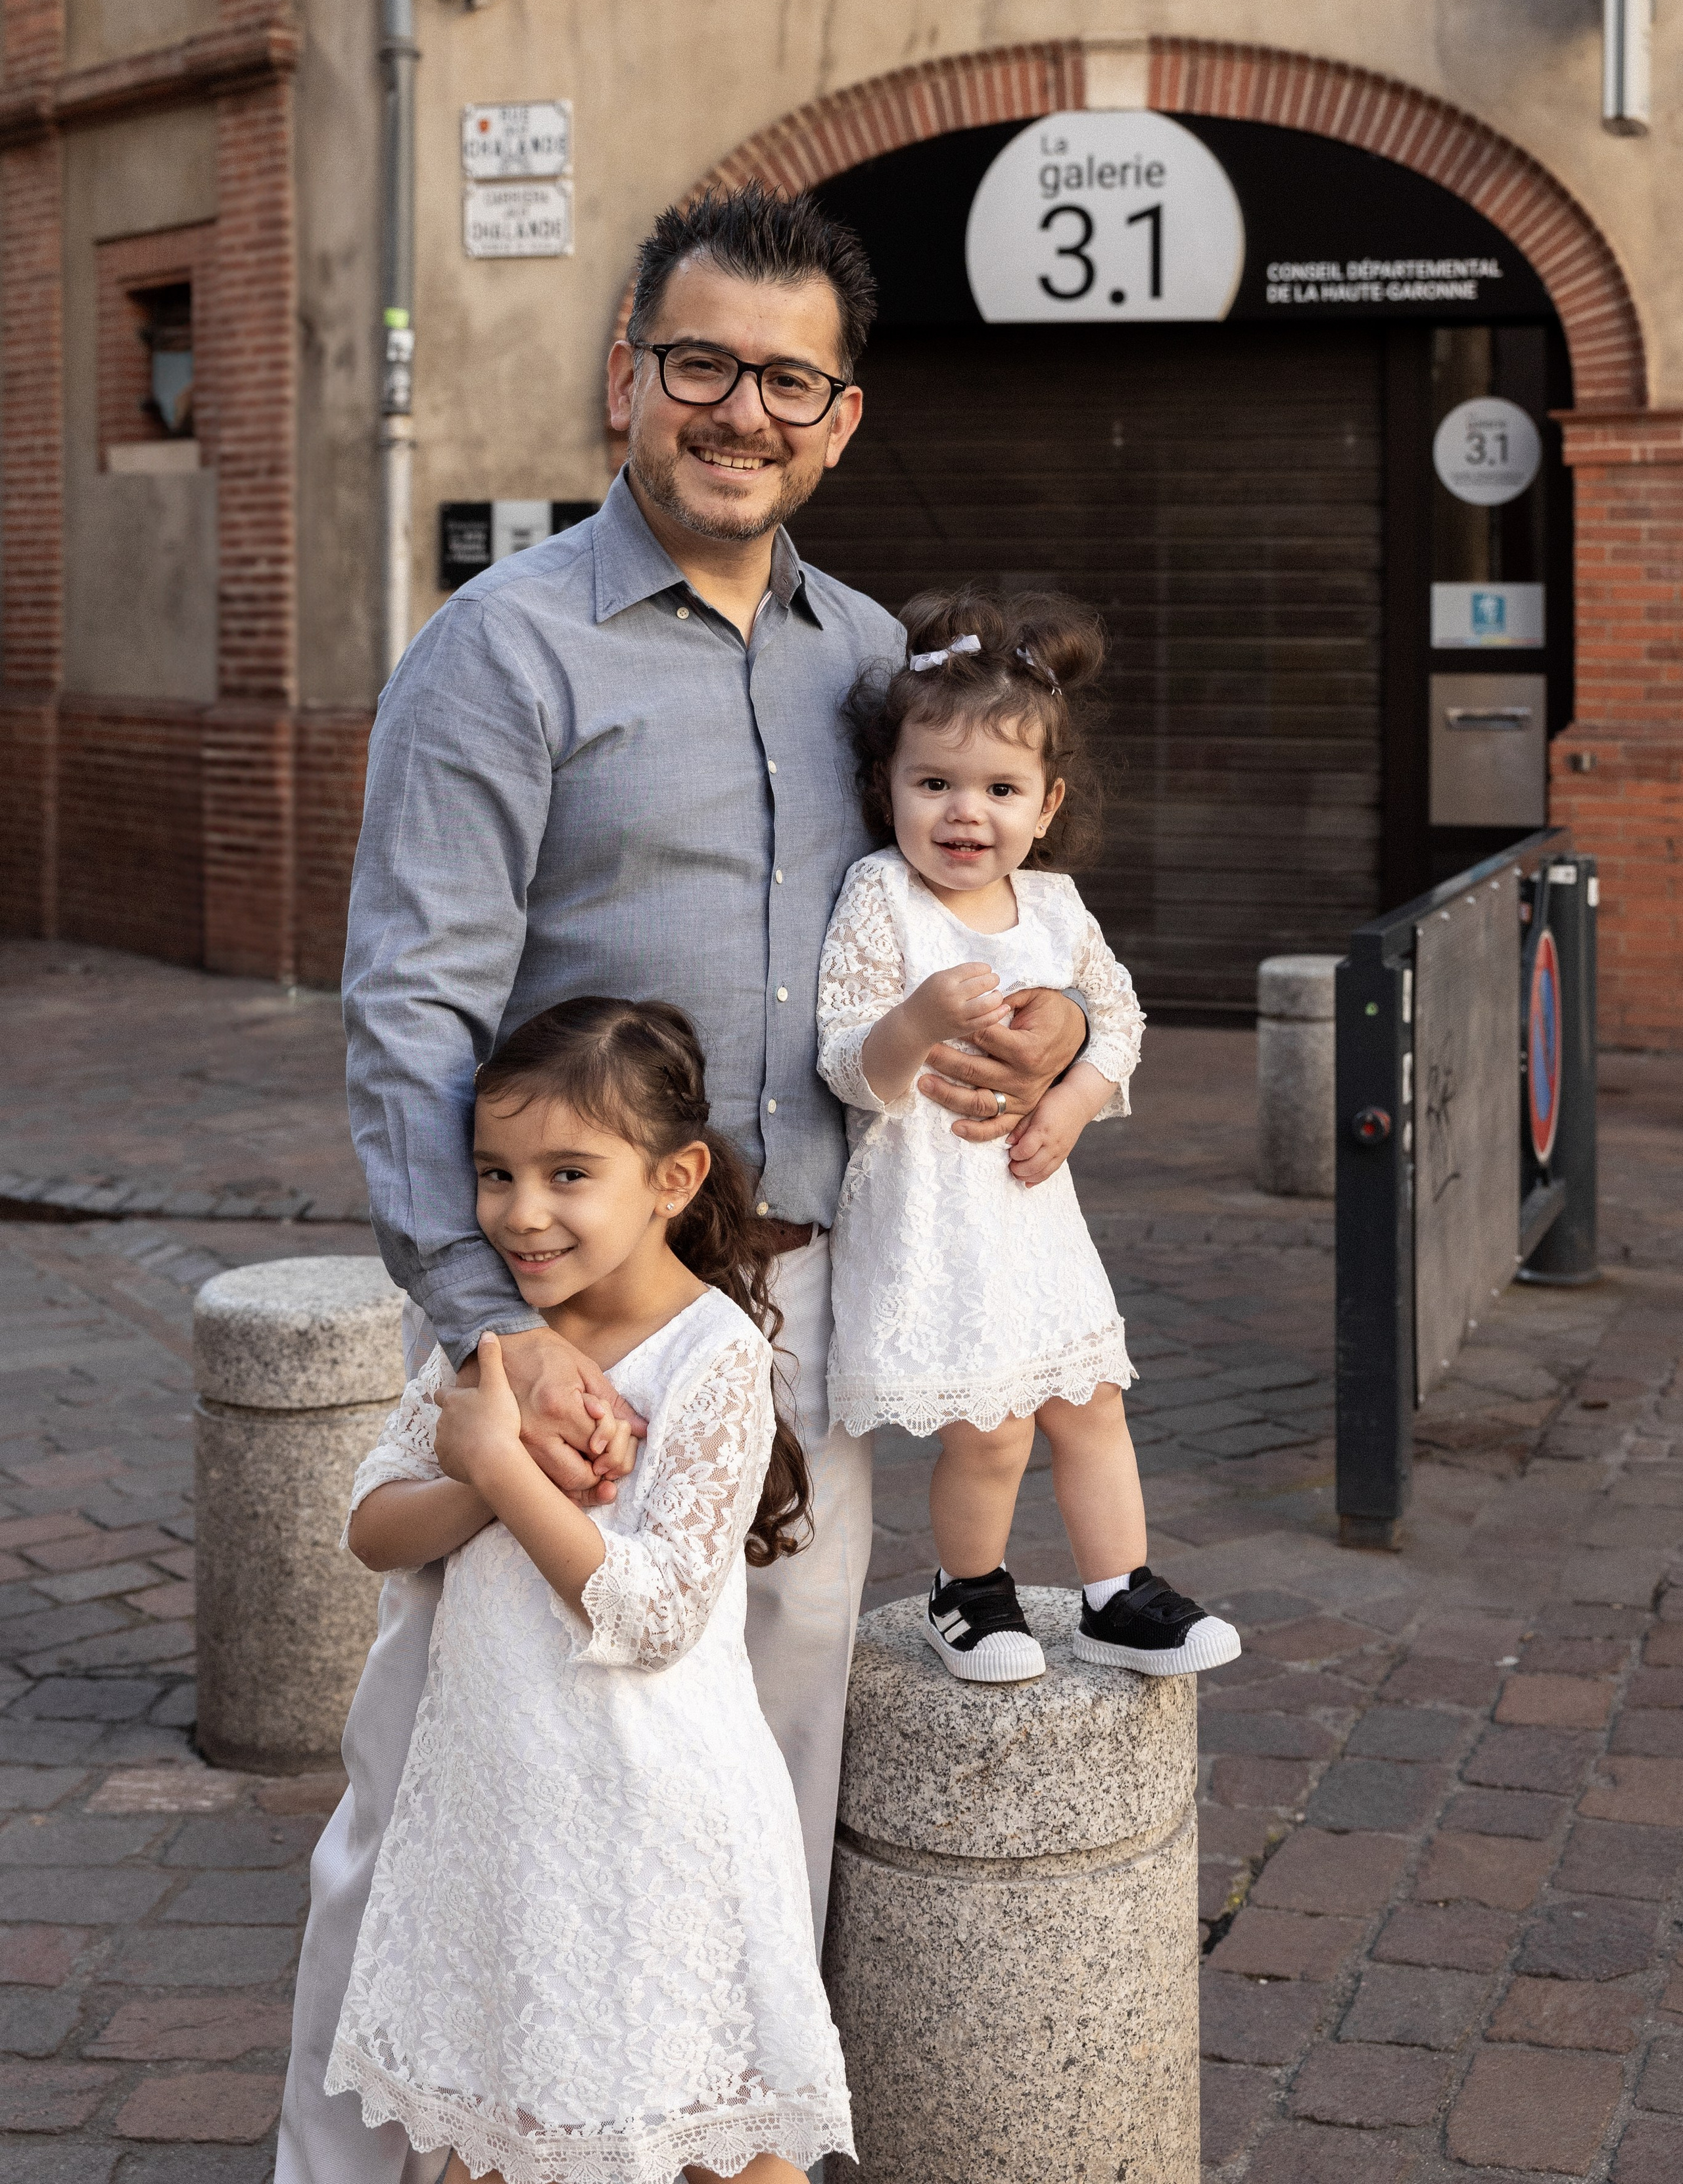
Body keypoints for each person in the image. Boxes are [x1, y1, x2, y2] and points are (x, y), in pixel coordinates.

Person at [278, 184, 1089, 2183]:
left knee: (753, 1762)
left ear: (842, 416)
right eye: (703, 362)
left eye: (786, 378)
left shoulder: (879, 666)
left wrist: (1061, 1045)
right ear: (628, 373)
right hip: (554, 1309)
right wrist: (482, 1333)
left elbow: (975, 917)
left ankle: (688, 2135)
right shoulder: (502, 652)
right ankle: (362, 2154)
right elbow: (411, 1008)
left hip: (801, 1300)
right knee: (451, 1765)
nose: (741, 408)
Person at [326, 998, 853, 2184]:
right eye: (493, 1173)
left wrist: (504, 1466)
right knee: (497, 2131)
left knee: (718, 2139)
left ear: (675, 1178)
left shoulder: (714, 1355)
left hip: (659, 1810)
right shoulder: (500, 1343)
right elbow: (373, 1524)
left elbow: (657, 1615)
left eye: (569, 1173)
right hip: (507, 1812)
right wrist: (485, 1465)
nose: (522, 1212)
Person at [816, 588, 1243, 1686]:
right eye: (935, 784)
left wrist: (1072, 1102)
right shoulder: (882, 899)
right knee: (992, 1429)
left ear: (1046, 804)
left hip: (1031, 1202)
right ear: (888, 789)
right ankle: (971, 1592)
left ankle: (1119, 1593)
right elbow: (845, 1064)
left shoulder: (1054, 909)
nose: (967, 813)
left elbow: (1124, 1016)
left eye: (1001, 789)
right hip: (929, 1203)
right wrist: (916, 1022)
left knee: (1090, 1403)